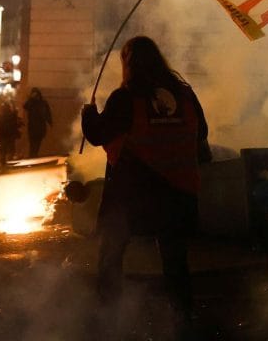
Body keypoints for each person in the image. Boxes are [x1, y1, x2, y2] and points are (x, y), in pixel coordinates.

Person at [81, 36, 211, 330]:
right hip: (179, 192)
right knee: (175, 259)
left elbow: (99, 134)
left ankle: (108, 315)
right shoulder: (184, 94)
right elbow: (201, 131)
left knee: (112, 253)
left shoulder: (126, 97)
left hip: (133, 195)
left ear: (129, 63)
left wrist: (88, 115)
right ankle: (183, 316)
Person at [23, 87, 52, 158]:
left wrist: (50, 122)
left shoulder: (43, 103)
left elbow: (48, 113)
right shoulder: (31, 102)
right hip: (32, 127)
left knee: (38, 143)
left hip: (40, 127)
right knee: (32, 143)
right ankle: (32, 156)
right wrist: (30, 98)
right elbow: (25, 106)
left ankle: (34, 155)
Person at [0, 101, 21, 167]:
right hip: (10, 135)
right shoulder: (12, 115)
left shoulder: (1, 116)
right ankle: (9, 161)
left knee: (3, 150)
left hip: (3, 136)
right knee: (11, 149)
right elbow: (15, 124)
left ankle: (3, 163)